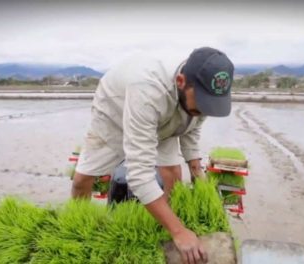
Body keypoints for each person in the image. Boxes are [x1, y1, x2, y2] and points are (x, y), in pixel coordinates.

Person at [71, 47, 234, 264]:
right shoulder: (148, 90)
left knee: (172, 175)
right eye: (201, 105)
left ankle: (159, 226)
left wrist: (196, 171)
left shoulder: (200, 97)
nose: (204, 111)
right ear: (180, 80)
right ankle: (77, 232)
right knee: (83, 180)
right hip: (115, 113)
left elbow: (191, 126)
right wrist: (179, 232)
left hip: (166, 116)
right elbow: (139, 175)